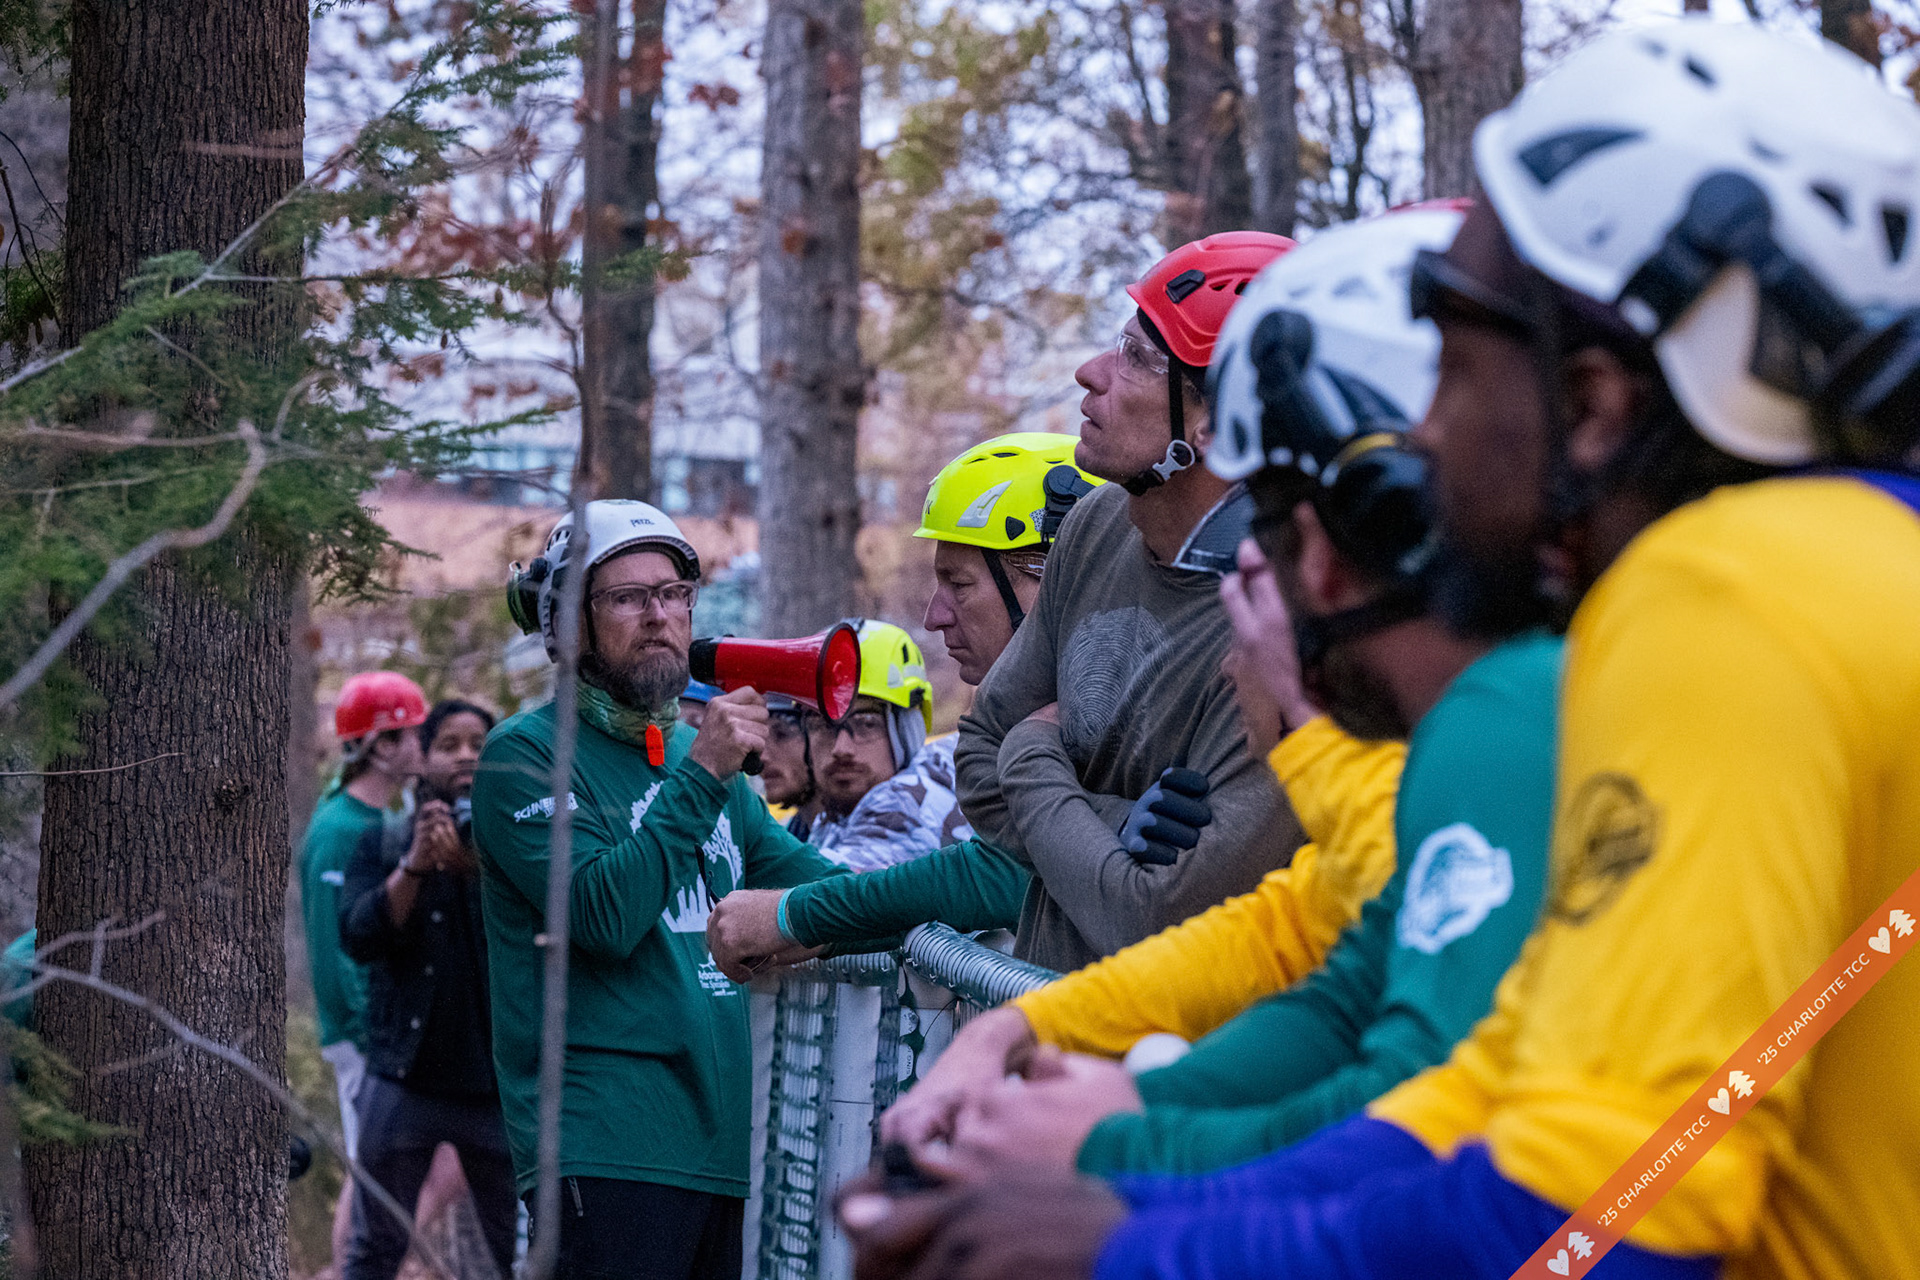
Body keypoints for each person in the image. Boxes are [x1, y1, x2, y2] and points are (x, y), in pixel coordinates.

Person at [841, 23, 1920, 1280]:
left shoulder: (1725, 597)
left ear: (1599, 404)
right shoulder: (1845, 571)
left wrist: (1134, 1240)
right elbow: (1467, 1092)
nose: (1428, 437)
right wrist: (1134, 1189)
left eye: (1455, 370)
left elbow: (1609, 1214)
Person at [884, 208, 1562, 1180]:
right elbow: (1307, 944)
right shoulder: (1462, 731)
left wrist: (1108, 1155)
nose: (1253, 586)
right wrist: (1029, 1034)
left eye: (1280, 524)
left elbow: (1429, 1113)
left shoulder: (1509, 724)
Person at [715, 236, 1312, 976]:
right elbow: (979, 769)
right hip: (1046, 1045)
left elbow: (1153, 908)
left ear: (1217, 424)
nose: (1089, 373)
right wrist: (1120, 823)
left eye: (1136, 357)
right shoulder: (1094, 528)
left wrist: (1034, 756)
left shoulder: (1279, 617)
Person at [473, 499, 853, 1280]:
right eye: (626, 597)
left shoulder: (689, 754)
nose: (659, 616)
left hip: (712, 1151)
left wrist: (979, 887)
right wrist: (706, 773)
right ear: (569, 623)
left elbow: (831, 894)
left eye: (675, 594)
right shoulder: (523, 756)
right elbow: (603, 916)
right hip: (599, 1144)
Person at [705, 434, 1103, 969]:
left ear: (1051, 579)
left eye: (958, 585)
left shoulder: (1110, 719)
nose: (936, 616)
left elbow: (1009, 874)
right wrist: (820, 933)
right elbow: (967, 891)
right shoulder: (1036, 720)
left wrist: (793, 918)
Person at [338, 698, 515, 1280]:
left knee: (513, 1251)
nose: (466, 756)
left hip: (498, 1086)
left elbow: (554, 929)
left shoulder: (517, 842)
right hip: (403, 1079)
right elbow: (359, 936)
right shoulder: (386, 840)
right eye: (449, 744)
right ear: (423, 757)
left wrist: (475, 867)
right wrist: (415, 865)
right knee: (376, 1248)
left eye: (479, 745)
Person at [302, 670, 428, 1263]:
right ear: (381, 746)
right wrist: (365, 1032)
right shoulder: (337, 831)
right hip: (362, 1038)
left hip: (384, 1034)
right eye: (412, 734)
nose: (422, 747)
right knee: (372, 1176)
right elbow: (334, 953)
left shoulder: (381, 823)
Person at [800, 620, 970, 872]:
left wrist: (732, 794)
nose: (841, 748)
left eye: (866, 723)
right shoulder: (839, 814)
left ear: (907, 730)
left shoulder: (905, 808)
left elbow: (817, 897)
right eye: (823, 724)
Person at [759, 693, 820, 836]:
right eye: (760, 739)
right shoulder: (793, 836)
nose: (763, 757)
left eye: (782, 734)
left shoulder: (871, 832)